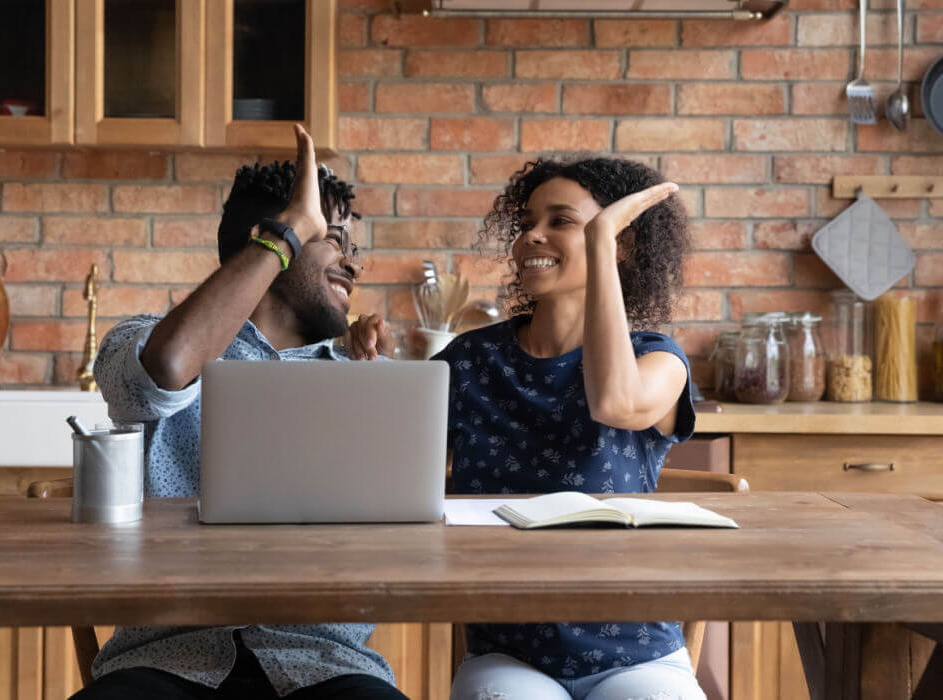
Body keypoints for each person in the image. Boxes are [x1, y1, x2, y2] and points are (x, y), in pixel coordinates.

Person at [71, 125, 403, 700]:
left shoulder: (364, 373)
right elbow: (170, 367)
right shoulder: (144, 339)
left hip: (325, 664)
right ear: (269, 238)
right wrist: (291, 233)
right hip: (168, 658)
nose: (354, 263)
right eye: (334, 239)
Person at [434, 156, 706, 700]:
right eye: (528, 222)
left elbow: (614, 401)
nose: (532, 235)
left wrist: (603, 235)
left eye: (560, 221)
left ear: (622, 245)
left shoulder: (658, 359)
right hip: (508, 649)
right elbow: (394, 478)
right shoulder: (466, 360)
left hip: (640, 651)